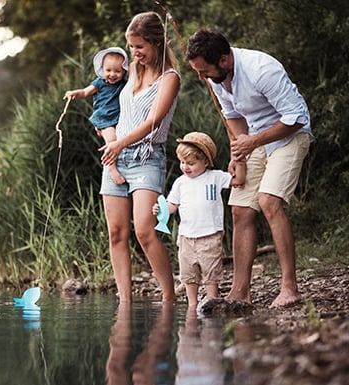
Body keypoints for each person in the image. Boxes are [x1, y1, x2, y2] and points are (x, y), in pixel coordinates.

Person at [185, 29, 313, 308]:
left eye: (204, 71)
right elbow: (233, 117)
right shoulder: (216, 78)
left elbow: (296, 118)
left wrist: (252, 141)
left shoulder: (261, 70)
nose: (202, 77)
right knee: (241, 209)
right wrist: (238, 152)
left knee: (268, 201)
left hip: (290, 136)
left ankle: (289, 288)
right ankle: (240, 292)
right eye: (198, 71)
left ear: (224, 60)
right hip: (255, 140)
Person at [99, 11, 181, 304]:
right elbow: (105, 104)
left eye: (140, 47)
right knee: (116, 233)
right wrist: (110, 139)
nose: (134, 53)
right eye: (132, 47)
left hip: (147, 157)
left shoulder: (170, 78)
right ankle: (125, 302)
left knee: (145, 232)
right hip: (116, 157)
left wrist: (119, 143)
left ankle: (169, 297)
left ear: (157, 43)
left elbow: (153, 123)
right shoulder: (130, 69)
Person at [152, 132, 241, 309]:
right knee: (188, 273)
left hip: (210, 234)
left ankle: (211, 300)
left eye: (191, 163)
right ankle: (192, 304)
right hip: (186, 237)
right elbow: (172, 205)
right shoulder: (180, 182)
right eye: (183, 162)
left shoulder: (214, 177)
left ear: (206, 162)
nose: (185, 167)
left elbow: (238, 180)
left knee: (211, 271)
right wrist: (161, 209)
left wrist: (240, 160)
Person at [65, 47, 129, 184]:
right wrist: (75, 93)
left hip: (119, 118)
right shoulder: (99, 83)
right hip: (104, 118)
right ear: (102, 70)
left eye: (117, 71)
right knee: (112, 140)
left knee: (122, 139)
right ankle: (111, 168)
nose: (112, 74)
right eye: (108, 70)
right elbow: (85, 92)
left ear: (124, 70)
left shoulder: (124, 84)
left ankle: (123, 164)